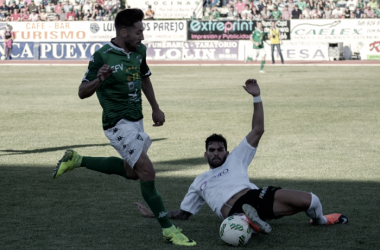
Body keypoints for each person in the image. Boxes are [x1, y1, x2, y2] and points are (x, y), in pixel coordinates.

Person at [52, 8, 196, 247]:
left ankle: (77, 159)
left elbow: (145, 77)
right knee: (147, 173)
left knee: (132, 172)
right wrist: (100, 79)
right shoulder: (102, 56)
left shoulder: (140, 51)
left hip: (136, 120)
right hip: (117, 124)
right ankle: (169, 231)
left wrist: (155, 108)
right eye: (138, 31)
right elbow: (81, 92)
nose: (142, 36)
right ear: (123, 31)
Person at [133, 79, 349, 235]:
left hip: (257, 198)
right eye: (212, 150)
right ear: (205, 154)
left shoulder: (237, 158)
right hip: (232, 212)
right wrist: (155, 214)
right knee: (233, 233)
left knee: (311, 200)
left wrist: (257, 96)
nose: (216, 154)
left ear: (226, 152)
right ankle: (249, 222)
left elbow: (258, 129)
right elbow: (184, 213)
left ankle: (318, 221)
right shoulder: (199, 182)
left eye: (219, 150)